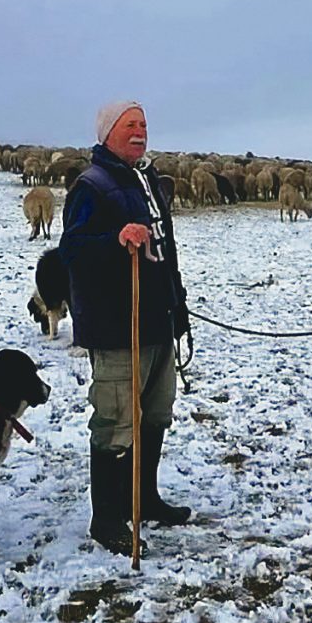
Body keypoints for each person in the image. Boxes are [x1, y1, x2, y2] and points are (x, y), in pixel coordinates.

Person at [59, 100, 192, 556]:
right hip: (119, 325)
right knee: (117, 421)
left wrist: (178, 308)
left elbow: (164, 250)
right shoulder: (91, 186)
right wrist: (115, 241)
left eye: (144, 125)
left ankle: (144, 499)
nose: (140, 132)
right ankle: (108, 518)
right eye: (130, 125)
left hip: (158, 320)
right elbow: (72, 250)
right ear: (108, 132)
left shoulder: (147, 180)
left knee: (155, 414)